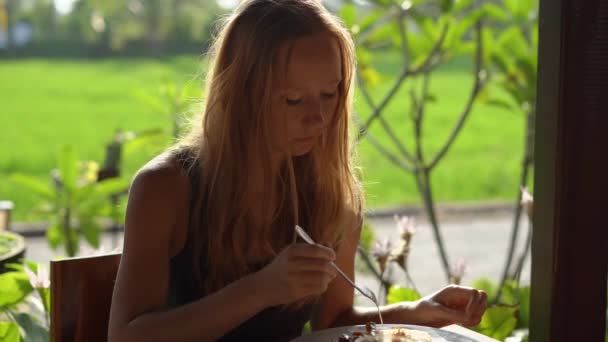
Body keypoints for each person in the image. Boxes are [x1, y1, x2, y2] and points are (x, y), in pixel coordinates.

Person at [108, 0, 487, 341]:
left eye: (330, 93)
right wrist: (259, 290)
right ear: (240, 95)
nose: (318, 117)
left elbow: (335, 319)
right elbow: (126, 337)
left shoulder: (329, 191)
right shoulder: (166, 189)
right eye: (293, 99)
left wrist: (418, 313)